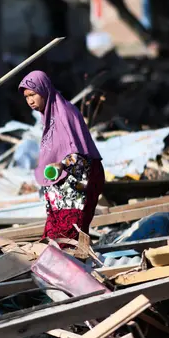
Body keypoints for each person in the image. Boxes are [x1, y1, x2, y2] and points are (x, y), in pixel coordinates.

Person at [18, 70, 105, 243]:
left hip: (78, 182)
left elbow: (79, 152)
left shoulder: (65, 113)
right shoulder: (48, 118)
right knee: (55, 237)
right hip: (62, 188)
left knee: (67, 237)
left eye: (33, 94)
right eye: (27, 97)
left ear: (44, 90)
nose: (30, 101)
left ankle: (74, 266)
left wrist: (62, 164)